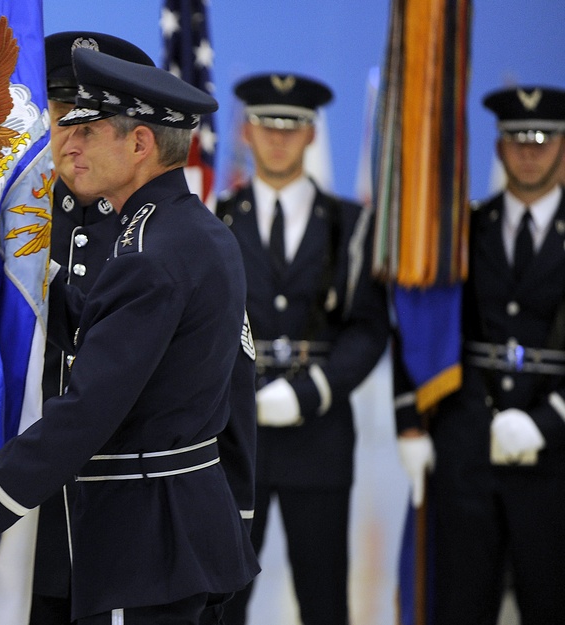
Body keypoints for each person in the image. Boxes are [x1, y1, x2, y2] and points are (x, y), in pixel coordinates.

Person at [0, 47, 259, 625]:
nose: (68, 145)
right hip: (175, 531)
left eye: (90, 130)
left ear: (140, 145)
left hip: (142, 538)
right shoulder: (192, 232)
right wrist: (28, 277)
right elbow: (113, 334)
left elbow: (91, 407)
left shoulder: (148, 254)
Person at [214, 73, 388, 625]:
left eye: (293, 127)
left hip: (320, 436)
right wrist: (240, 390)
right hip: (236, 437)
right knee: (221, 597)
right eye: (267, 125)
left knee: (323, 599)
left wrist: (314, 391)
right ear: (246, 131)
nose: (279, 139)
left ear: (313, 135)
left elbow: (369, 327)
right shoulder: (216, 219)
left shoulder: (352, 224)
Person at [396, 85, 565, 625]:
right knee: (462, 605)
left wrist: (550, 420)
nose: (529, 151)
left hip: (556, 458)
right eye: (517, 139)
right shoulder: (462, 232)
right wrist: (410, 420)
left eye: (542, 139)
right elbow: (421, 324)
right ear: (498, 149)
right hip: (467, 448)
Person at [32, 30, 154, 625]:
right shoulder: (13, 218)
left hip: (118, 495)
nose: (71, 137)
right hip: (20, 494)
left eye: (91, 121)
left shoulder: (154, 232)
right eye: (61, 115)